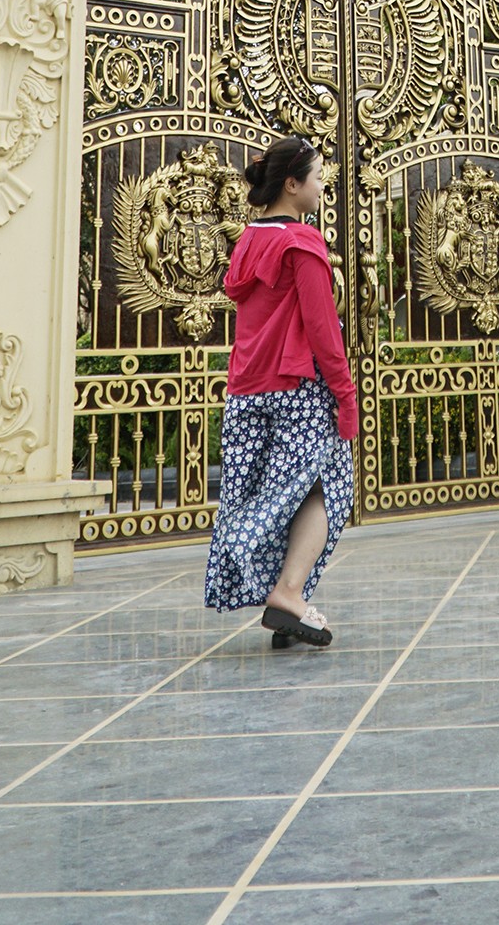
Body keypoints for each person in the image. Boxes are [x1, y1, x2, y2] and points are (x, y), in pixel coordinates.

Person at [204, 135, 358, 647]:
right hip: (297, 388)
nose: (322, 186)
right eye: (317, 177)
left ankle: (284, 603)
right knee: (325, 486)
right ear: (292, 185)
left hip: (247, 387)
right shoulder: (302, 242)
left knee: (271, 490)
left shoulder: (248, 240)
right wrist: (345, 394)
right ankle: (289, 592)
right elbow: (322, 328)